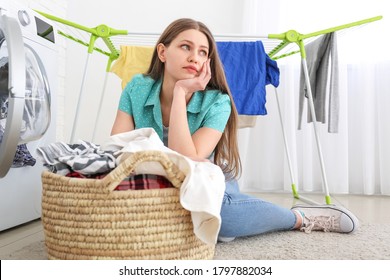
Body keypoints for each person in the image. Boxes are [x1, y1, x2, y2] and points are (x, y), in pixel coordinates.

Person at [110, 18, 359, 242]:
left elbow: (186, 159)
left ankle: (298, 218)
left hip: (207, 174)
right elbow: (119, 147)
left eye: (202, 52)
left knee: (219, 215)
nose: (194, 57)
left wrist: (179, 94)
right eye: (185, 47)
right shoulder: (137, 88)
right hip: (155, 180)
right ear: (163, 52)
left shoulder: (218, 102)